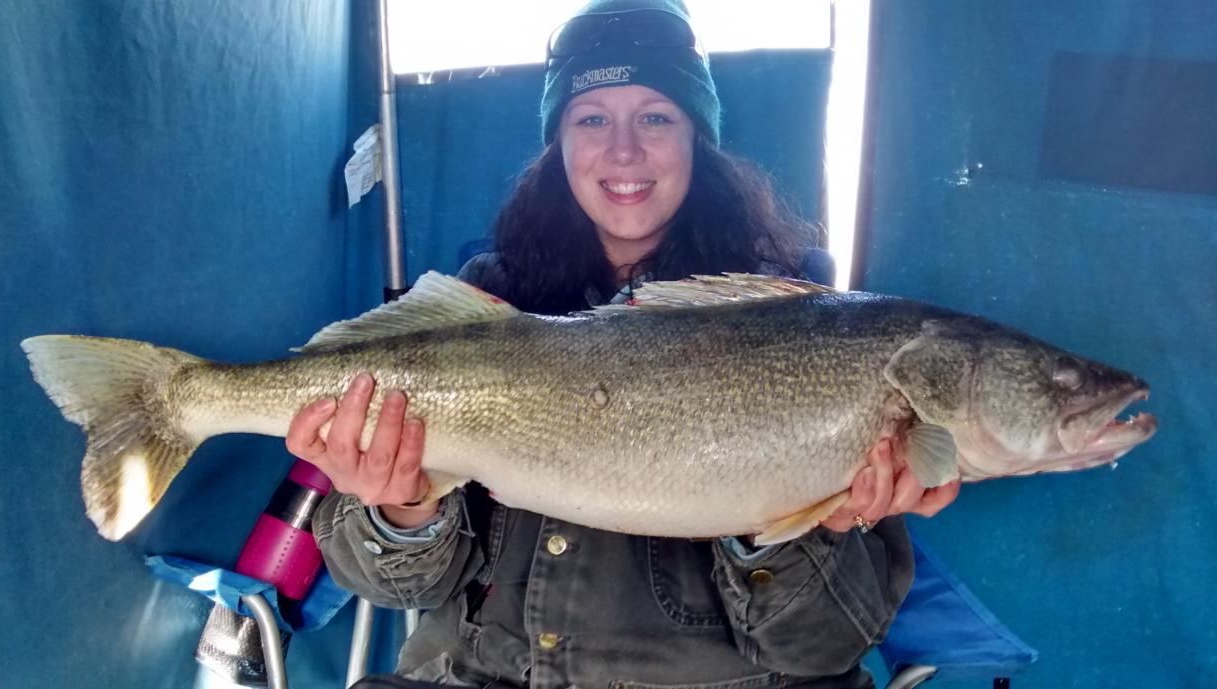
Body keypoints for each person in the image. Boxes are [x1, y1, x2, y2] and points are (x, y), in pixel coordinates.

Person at [287, 2, 959, 687]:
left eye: (656, 117)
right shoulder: (485, 298)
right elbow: (400, 587)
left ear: (698, 137)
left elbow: (817, 645)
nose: (623, 149)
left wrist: (781, 524)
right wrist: (400, 511)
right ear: (559, 144)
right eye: (592, 119)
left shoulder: (810, 322)